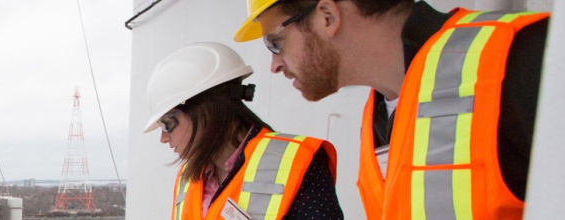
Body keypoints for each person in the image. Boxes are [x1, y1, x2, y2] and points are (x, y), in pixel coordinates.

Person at [231, 0, 548, 218]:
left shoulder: (523, 56)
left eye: (275, 43)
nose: (274, 65)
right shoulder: (381, 113)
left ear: (327, 15)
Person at [150, 42, 342, 220]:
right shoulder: (187, 178)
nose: (163, 138)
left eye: (168, 124)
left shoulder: (296, 162)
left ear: (207, 109)